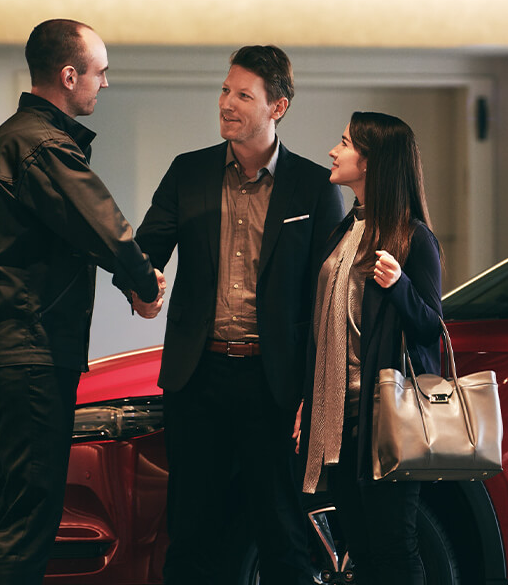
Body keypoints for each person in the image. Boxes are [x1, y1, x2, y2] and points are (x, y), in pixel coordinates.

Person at [128, 45, 345, 584]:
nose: (227, 103)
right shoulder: (189, 172)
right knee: (191, 533)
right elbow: (146, 250)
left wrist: (315, 393)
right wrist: (141, 288)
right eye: (225, 90)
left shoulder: (314, 187)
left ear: (278, 107)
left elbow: (328, 302)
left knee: (282, 534)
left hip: (275, 385)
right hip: (197, 378)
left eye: (244, 95)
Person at [0, 19, 165, 585]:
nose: (105, 83)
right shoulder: (42, 145)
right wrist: (144, 282)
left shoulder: (15, 137)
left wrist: (129, 280)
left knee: (18, 508)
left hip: (13, 346)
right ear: (69, 74)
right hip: (31, 348)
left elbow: (73, 235)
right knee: (31, 516)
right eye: (100, 72)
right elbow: (103, 226)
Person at [298, 111, 443, 585]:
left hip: (386, 420)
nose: (333, 151)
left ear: (371, 161)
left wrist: (400, 285)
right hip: (338, 418)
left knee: (394, 547)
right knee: (359, 550)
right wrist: (309, 401)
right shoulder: (346, 231)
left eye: (344, 143)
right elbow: (324, 328)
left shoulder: (414, 237)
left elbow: (431, 329)